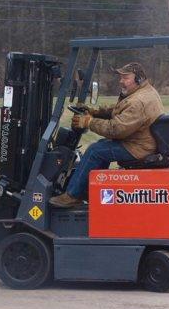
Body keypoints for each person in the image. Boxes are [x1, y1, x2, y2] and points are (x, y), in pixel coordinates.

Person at [49, 62, 163, 208]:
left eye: (126, 78)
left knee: (95, 151)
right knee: (101, 145)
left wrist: (89, 122)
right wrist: (95, 112)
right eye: (121, 78)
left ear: (138, 79)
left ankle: (72, 195)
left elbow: (116, 129)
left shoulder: (138, 101)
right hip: (140, 142)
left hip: (138, 148)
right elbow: (120, 110)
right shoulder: (143, 92)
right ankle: (89, 189)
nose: (121, 81)